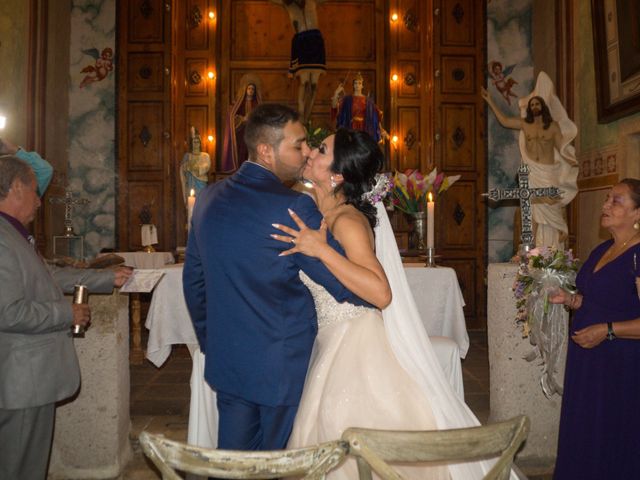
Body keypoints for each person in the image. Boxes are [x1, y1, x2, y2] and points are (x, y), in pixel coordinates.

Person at [272, 129, 513, 479]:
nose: (310, 152)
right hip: (330, 342)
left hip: (354, 350)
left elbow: (381, 292)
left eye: (321, 149)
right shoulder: (325, 217)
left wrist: (321, 250)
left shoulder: (348, 221)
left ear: (337, 174)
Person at [182, 103, 362, 451]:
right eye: (298, 145)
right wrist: (375, 293)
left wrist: (214, 342)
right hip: (282, 366)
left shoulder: (206, 198)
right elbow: (340, 284)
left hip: (229, 362)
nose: (306, 152)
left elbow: (194, 283)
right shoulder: (293, 206)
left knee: (233, 464)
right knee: (279, 464)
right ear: (266, 150)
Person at [0, 155, 132, 479]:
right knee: (18, 468)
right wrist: (66, 312)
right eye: (34, 191)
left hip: (29, 381)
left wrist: (107, 279)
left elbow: (49, 277)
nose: (40, 201)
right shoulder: (2, 240)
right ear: (16, 188)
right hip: (19, 384)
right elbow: (7, 311)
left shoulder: (13, 235)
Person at [548, 179, 640, 479]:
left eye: (616, 201)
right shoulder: (604, 248)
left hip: (620, 366)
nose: (605, 205)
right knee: (586, 431)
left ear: (637, 213)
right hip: (588, 363)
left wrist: (607, 331)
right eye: (607, 199)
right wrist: (571, 300)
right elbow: (599, 299)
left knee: (612, 437)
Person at [482, 71, 579, 249]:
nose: (534, 106)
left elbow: (561, 146)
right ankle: (531, 248)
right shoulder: (524, 124)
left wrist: (570, 159)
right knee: (531, 209)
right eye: (532, 104)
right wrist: (490, 100)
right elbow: (504, 121)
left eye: (537, 103)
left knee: (552, 206)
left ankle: (553, 248)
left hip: (548, 172)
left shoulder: (552, 126)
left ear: (542, 106)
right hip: (531, 172)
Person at [270, 0, 327, 123]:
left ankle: (307, 118)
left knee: (314, 85)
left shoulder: (312, 1)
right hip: (301, 42)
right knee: (304, 82)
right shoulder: (288, 3)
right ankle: (301, 117)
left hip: (316, 42)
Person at [221, 77, 262, 172]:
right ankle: (241, 171)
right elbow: (232, 117)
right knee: (241, 152)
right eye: (249, 88)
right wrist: (242, 119)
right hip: (241, 133)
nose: (251, 91)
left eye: (252, 89)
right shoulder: (238, 104)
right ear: (245, 89)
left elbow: (262, 118)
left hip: (253, 134)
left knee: (252, 152)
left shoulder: (258, 104)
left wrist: (253, 119)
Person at [331, 72, 387, 143]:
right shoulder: (347, 99)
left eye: (359, 83)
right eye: (355, 83)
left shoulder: (368, 101)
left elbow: (375, 117)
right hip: (351, 128)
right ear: (353, 85)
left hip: (364, 129)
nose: (357, 85)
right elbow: (334, 107)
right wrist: (336, 93)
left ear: (362, 86)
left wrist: (381, 129)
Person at [179, 126, 210, 205]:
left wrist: (194, 168)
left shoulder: (205, 156)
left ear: (200, 143)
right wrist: (187, 166)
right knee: (191, 205)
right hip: (191, 183)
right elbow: (183, 169)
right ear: (191, 143)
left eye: (197, 142)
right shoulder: (187, 156)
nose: (196, 144)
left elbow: (206, 166)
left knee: (202, 205)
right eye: (194, 142)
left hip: (201, 184)